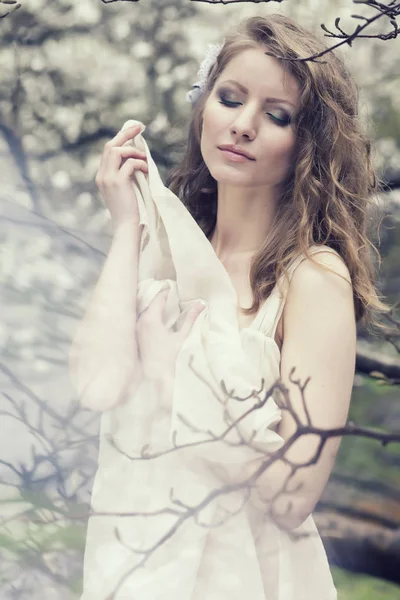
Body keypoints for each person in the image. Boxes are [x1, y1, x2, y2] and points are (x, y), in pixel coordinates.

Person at [69, 13, 393, 600]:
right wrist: (126, 229)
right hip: (135, 564)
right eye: (230, 98)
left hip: (244, 577)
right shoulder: (165, 249)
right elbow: (96, 385)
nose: (242, 125)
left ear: (308, 144)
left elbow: (294, 496)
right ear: (204, 105)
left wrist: (177, 382)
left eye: (277, 116)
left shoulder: (312, 278)